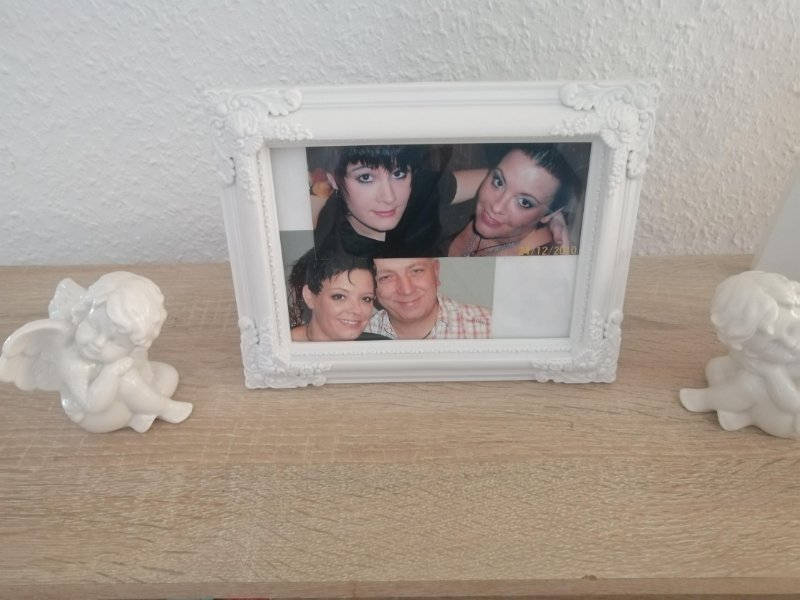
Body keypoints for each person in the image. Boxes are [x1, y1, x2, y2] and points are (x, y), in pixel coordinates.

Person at [445, 144, 581, 257]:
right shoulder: (470, 200)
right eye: (498, 182)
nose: (497, 207)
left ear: (550, 215)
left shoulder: (538, 267)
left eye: (524, 202)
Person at [312, 145, 448, 258]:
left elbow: (449, 185)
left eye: (398, 173)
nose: (389, 198)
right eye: (366, 177)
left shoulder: (418, 187)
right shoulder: (335, 259)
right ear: (333, 181)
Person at [365, 258, 491, 339]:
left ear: (436, 272)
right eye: (386, 277)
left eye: (416, 271)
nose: (407, 290)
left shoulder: (490, 327)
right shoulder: (358, 336)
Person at [288, 249, 388, 341]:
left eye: (366, 298)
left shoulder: (382, 346)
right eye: (339, 297)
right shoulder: (283, 347)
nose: (356, 310)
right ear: (309, 297)